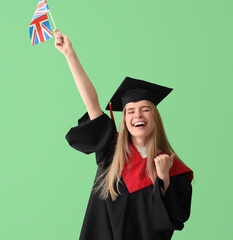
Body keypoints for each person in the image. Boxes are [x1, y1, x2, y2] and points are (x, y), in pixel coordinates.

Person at [54, 29, 193, 240]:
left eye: (145, 109)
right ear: (125, 120)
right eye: (130, 110)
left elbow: (170, 223)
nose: (138, 114)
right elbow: (91, 102)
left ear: (155, 117)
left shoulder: (173, 169)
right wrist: (70, 54)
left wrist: (163, 177)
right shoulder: (111, 151)